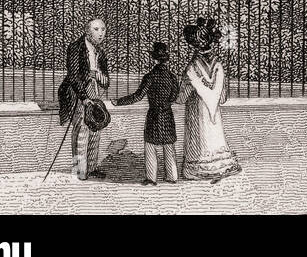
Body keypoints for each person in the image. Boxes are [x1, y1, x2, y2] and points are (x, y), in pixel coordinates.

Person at [180, 17, 241, 182]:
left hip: (197, 109)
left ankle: (199, 168)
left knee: (198, 136)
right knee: (214, 135)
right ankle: (220, 166)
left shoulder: (192, 67)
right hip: (214, 111)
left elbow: (181, 97)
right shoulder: (218, 64)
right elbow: (223, 97)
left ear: (194, 44)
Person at [116, 41, 181, 186]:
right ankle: (172, 176)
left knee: (150, 146)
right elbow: (175, 96)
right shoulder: (172, 77)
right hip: (167, 114)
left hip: (154, 115)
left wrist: (118, 102)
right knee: (169, 146)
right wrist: (166, 103)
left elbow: (137, 96)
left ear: (154, 59)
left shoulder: (150, 77)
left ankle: (151, 178)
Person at [58, 16, 113, 180]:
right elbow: (73, 76)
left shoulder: (100, 53)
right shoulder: (76, 48)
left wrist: (100, 77)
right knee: (81, 130)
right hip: (78, 93)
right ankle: (80, 170)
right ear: (87, 31)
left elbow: (106, 81)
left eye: (103, 29)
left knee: (95, 129)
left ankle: (92, 167)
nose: (101, 33)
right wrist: (84, 98)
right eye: (97, 30)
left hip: (94, 92)